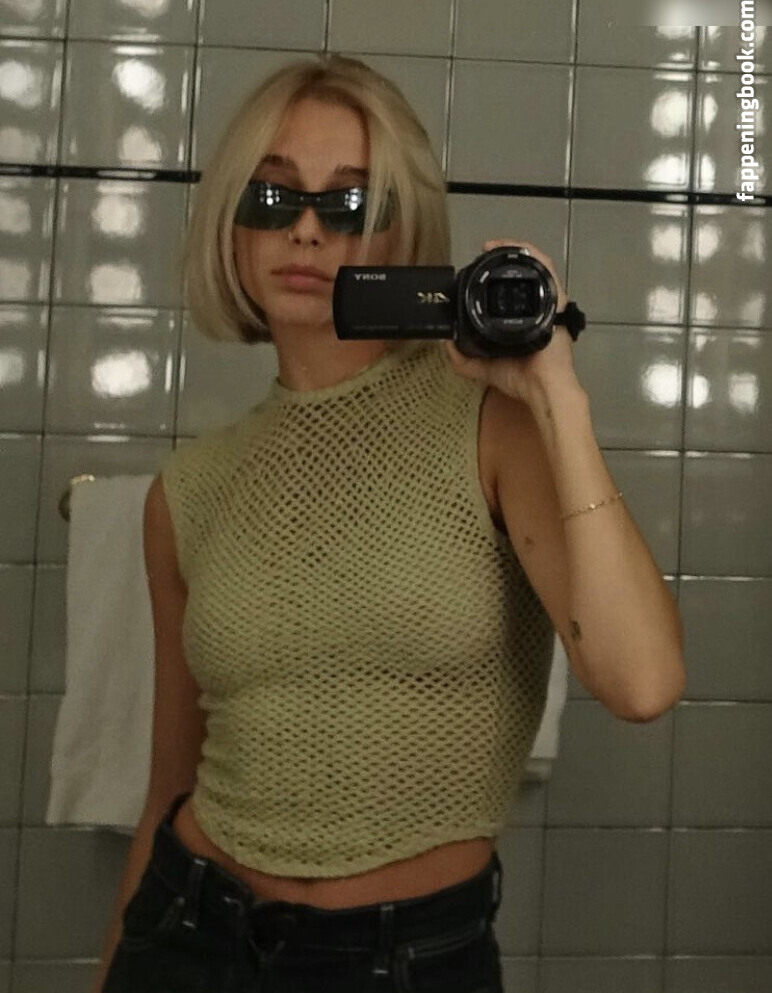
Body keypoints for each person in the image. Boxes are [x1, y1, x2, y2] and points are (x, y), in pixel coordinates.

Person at [95, 53, 685, 993]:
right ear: (230, 227)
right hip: (188, 938)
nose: (304, 230)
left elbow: (643, 682)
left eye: (349, 203)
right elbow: (170, 782)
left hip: (410, 959)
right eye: (271, 197)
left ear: (402, 233)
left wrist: (556, 401)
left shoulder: (493, 430)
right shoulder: (188, 490)